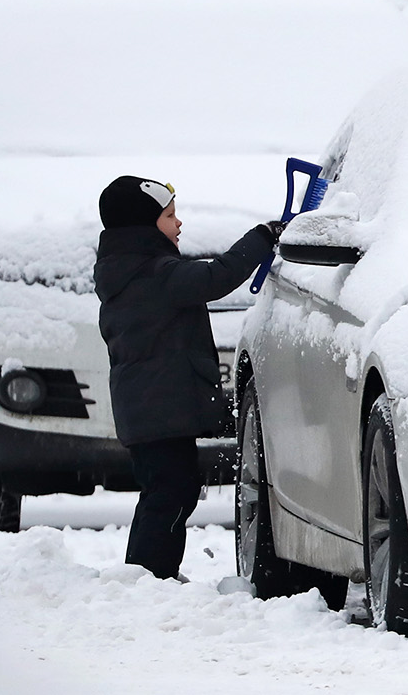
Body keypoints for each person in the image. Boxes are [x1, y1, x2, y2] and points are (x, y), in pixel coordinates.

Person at [94, 175, 283, 580]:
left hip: (146, 412)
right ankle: (152, 573)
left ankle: (143, 573)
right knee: (173, 492)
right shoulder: (155, 274)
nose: (178, 224)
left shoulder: (125, 272)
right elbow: (217, 276)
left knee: (162, 493)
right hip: (158, 412)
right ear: (145, 226)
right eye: (169, 216)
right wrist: (262, 237)